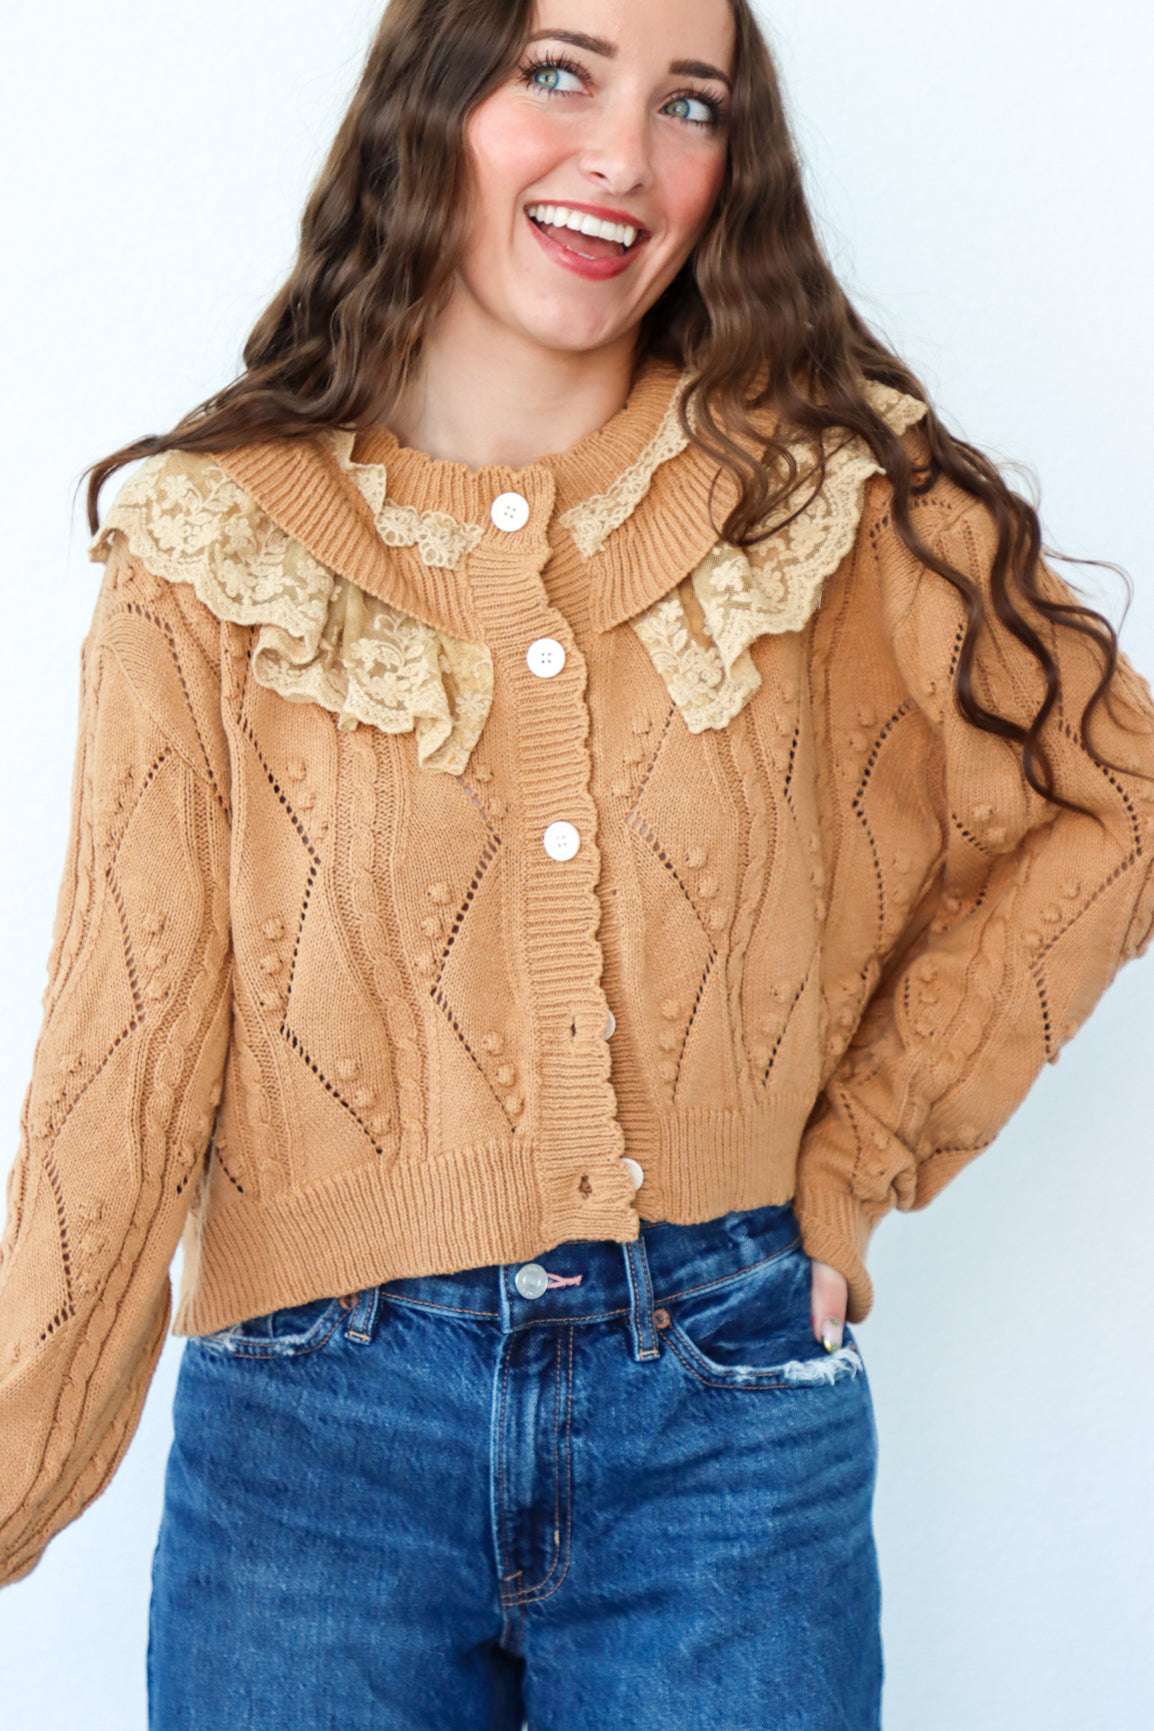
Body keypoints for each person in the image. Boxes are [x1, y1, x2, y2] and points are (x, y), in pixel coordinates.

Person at [1, 0, 1152, 1725]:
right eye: (560, 70)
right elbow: (124, 1063)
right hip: (311, 1445)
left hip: (725, 1423)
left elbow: (1112, 795)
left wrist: (846, 1166)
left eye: (689, 103)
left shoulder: (819, 499)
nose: (625, 153)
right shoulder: (212, 545)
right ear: (433, 98)